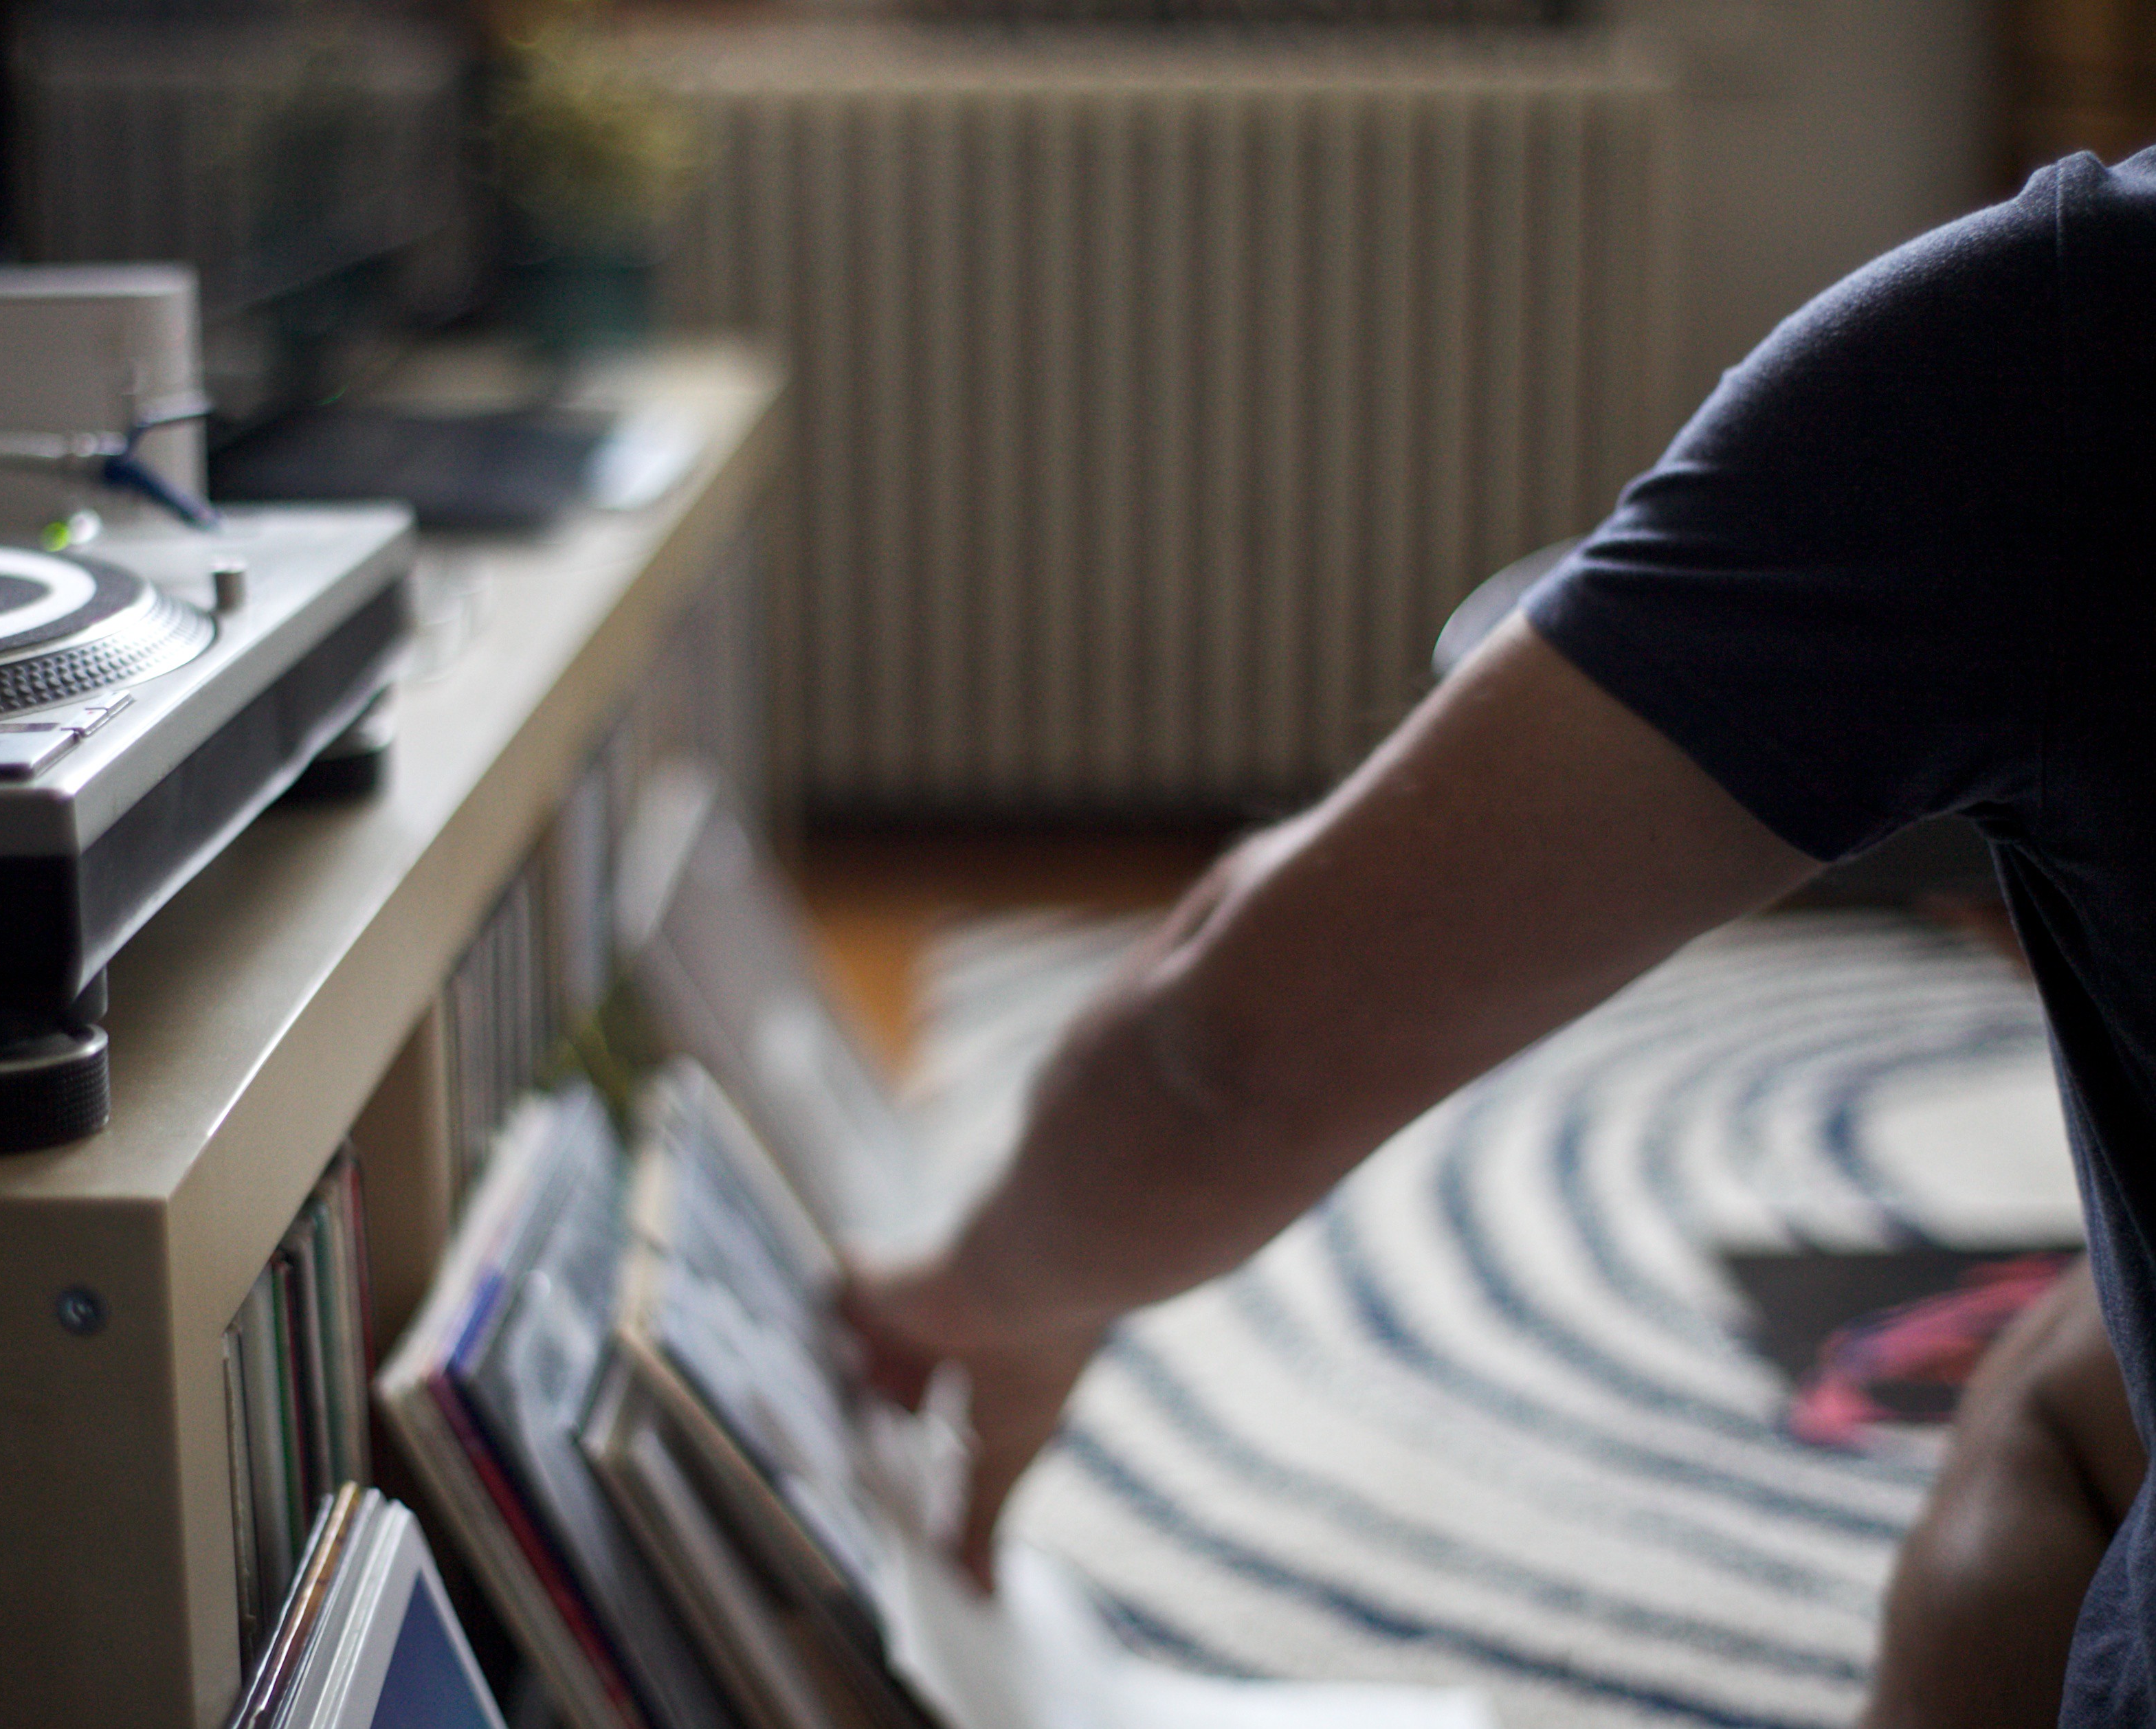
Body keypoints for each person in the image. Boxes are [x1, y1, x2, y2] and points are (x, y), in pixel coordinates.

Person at [845, 145, 2156, 1724]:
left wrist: (982, 1291)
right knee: (2065, 1361)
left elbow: (1229, 1057)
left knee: (2045, 1418)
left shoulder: (2069, 341)